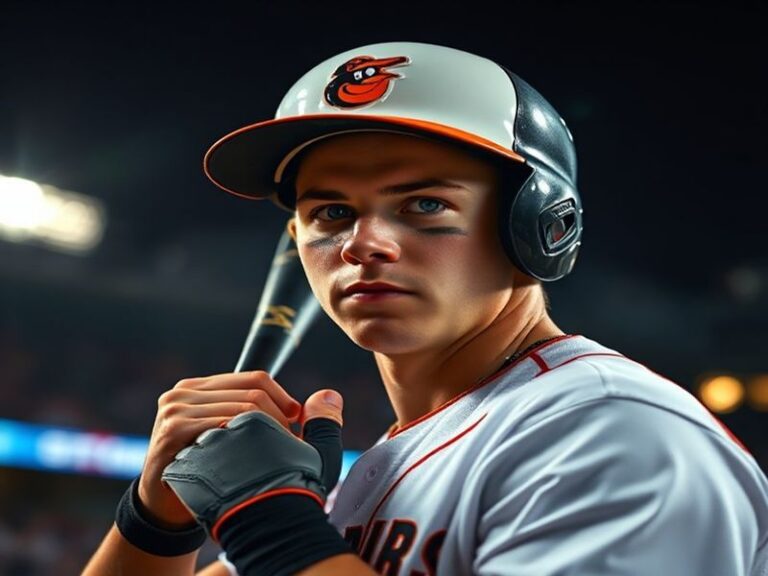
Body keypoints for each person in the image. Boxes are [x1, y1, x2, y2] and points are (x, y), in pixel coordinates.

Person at [83, 41, 768, 576]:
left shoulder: (612, 430)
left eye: (425, 204)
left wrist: (268, 518)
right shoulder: (372, 475)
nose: (363, 244)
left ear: (542, 228)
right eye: (331, 212)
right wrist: (157, 518)